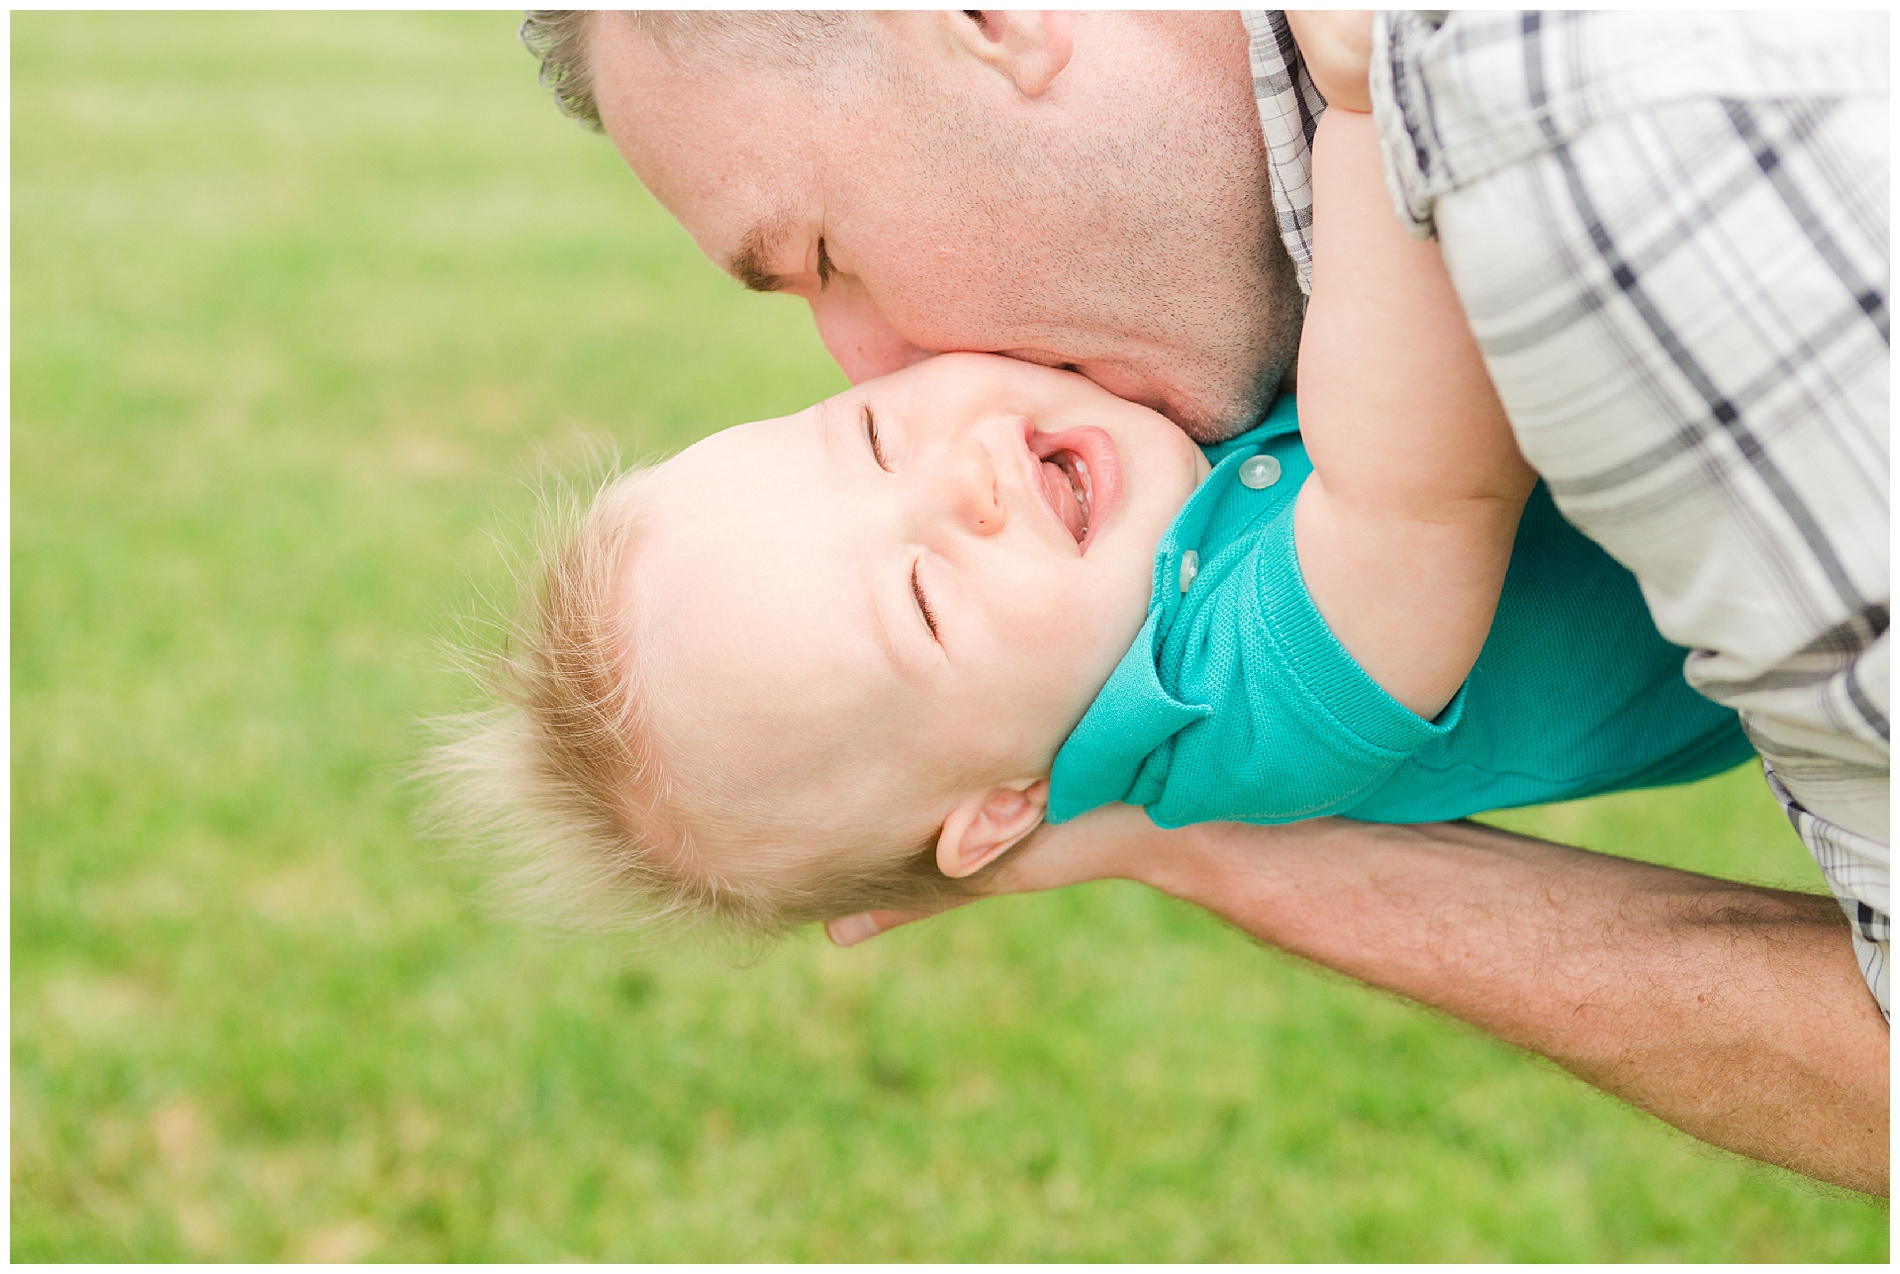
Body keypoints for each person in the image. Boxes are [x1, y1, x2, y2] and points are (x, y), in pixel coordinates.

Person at [516, 10, 1889, 1194]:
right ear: (997, 803)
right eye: (928, 598)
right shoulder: (1214, 699)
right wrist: (1366, 97)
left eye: (866, 437)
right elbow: (1407, 495)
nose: (959, 478)